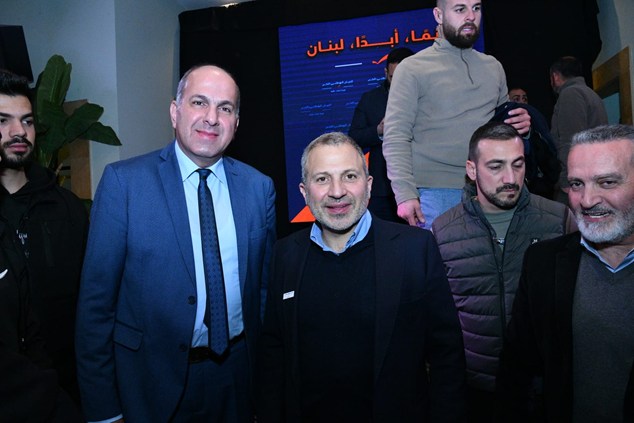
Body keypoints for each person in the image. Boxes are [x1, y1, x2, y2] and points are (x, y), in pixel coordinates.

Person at [75, 65, 276, 422]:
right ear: (175, 111)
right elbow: (96, 306)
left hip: (236, 378)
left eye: (225, 108)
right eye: (199, 102)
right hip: (150, 383)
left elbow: (262, 292)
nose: (211, 118)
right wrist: (104, 411)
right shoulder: (124, 184)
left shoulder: (259, 188)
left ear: (236, 122)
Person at [257, 132, 466, 422]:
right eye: (322, 179)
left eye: (350, 176)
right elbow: (274, 352)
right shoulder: (285, 255)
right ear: (304, 192)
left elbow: (447, 354)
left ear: (368, 185)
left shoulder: (415, 249)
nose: (337, 191)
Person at [432, 122, 575, 422]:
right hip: (474, 392)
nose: (510, 178)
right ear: (472, 170)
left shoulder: (557, 220)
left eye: (517, 164)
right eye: (496, 166)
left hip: (541, 390)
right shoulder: (443, 231)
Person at [497, 124, 634, 421]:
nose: (587, 200)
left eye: (607, 182)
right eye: (576, 184)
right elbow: (517, 373)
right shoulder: (542, 263)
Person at [383, 0, 531, 230]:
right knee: (441, 256)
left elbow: (501, 132)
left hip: (492, 188)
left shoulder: (493, 67)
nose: (470, 16)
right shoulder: (412, 68)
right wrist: (404, 193)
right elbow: (396, 136)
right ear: (438, 15)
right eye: (460, 9)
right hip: (436, 195)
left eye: (476, 8)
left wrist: (520, 126)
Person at [0, 69, 89, 404]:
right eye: (3, 120)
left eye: (27, 121)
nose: (19, 131)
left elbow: (91, 299)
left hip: (67, 390)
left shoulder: (67, 208)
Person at [348, 47, 414, 222]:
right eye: (393, 77)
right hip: (382, 189)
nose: (398, 83)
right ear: (385, 73)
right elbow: (353, 138)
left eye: (403, 78)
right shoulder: (370, 99)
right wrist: (378, 131)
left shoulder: (429, 97)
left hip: (422, 185)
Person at [549, 56, 608, 203]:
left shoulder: (571, 94)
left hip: (577, 181)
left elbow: (571, 140)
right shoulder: (591, 94)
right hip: (591, 177)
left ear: (555, 76)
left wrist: (567, 181)